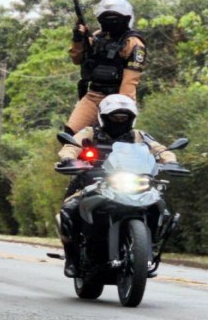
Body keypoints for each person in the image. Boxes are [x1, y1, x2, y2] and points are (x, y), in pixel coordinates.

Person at [56, 94, 181, 277]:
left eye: (124, 117)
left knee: (159, 206)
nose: (120, 120)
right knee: (69, 210)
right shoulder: (90, 132)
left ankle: (147, 249)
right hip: (92, 181)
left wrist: (170, 161)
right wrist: (68, 158)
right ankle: (72, 257)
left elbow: (160, 149)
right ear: (103, 117)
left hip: (133, 181)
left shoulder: (138, 135)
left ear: (132, 118)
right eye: (115, 117)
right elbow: (71, 146)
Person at [64, 0, 147, 135]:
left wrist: (122, 109)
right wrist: (77, 39)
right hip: (93, 96)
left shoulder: (133, 43)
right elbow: (77, 59)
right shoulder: (98, 37)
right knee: (70, 135)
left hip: (119, 98)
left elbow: (130, 81)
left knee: (117, 135)